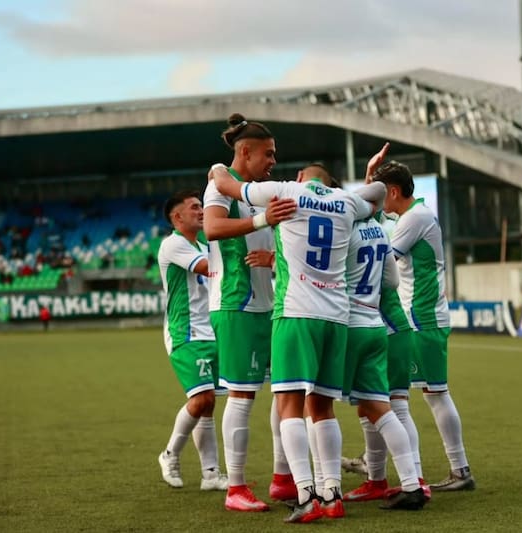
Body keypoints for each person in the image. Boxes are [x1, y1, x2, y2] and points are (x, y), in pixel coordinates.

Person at [210, 160, 386, 523]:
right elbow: (379, 194)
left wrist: (217, 164)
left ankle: (306, 494)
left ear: (303, 178)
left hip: (295, 312)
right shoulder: (347, 203)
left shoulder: (287, 191)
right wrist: (350, 191)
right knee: (323, 409)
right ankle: (332, 494)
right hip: (336, 317)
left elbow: (226, 184)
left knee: (289, 404)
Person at [298, 164, 427, 511]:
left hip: (348, 326)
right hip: (376, 325)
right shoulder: (379, 230)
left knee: (316, 406)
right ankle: (413, 484)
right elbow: (392, 283)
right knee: (383, 410)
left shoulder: (342, 228)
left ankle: (329, 492)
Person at [202, 114, 297, 512]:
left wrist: (273, 254)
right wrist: (261, 219)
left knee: (285, 391)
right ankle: (235, 488)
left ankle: (281, 478)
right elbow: (211, 228)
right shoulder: (218, 185)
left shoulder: (255, 191)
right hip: (236, 303)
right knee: (242, 396)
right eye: (268, 154)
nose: (274, 160)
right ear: (245, 151)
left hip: (268, 303)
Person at [371, 159, 476, 492]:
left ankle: (455, 470)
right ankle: (440, 469)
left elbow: (381, 258)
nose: (378, 201)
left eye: (380, 193)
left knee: (428, 395)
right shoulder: (417, 215)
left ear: (393, 191)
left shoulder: (413, 218)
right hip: (422, 317)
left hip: (421, 318)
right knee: (416, 395)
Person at [156, 190, 229, 492]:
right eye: (194, 207)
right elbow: (207, 268)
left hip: (210, 331)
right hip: (185, 333)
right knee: (201, 399)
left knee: (208, 404)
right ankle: (169, 454)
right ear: (177, 217)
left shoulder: (201, 243)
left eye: (202, 206)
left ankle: (210, 474)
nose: (201, 211)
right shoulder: (173, 244)